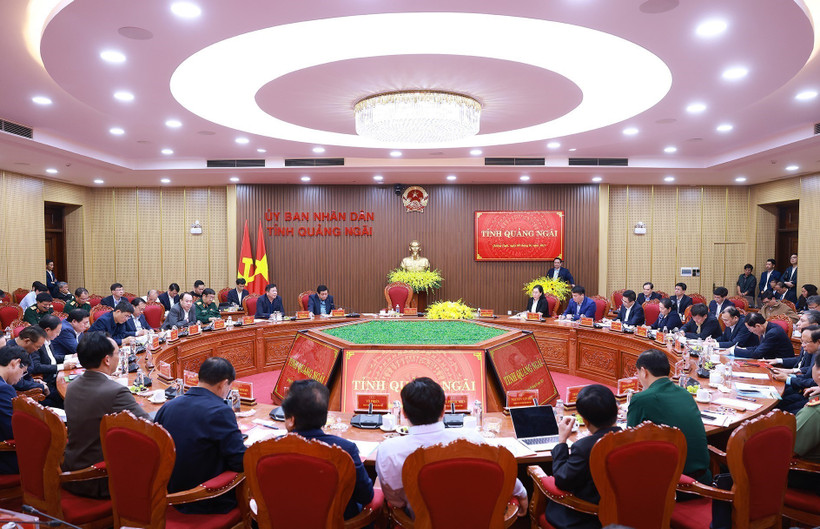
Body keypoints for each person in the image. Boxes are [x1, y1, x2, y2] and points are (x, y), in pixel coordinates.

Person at [375, 377, 528, 516]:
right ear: (444, 410)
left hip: (419, 522)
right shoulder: (471, 439)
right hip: (474, 521)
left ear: (404, 414)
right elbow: (501, 472)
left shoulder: (388, 451)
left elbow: (395, 501)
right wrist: (521, 492)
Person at [154, 357, 245, 514]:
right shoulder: (220, 411)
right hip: (204, 501)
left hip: (167, 495)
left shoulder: (168, 406)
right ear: (224, 384)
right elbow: (239, 462)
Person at [63, 332, 149, 498]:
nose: (119, 357)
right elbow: (150, 427)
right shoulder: (115, 391)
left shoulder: (72, 386)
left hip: (72, 468)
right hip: (97, 478)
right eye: (117, 353)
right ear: (107, 359)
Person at [282, 379, 374, 519]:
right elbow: (366, 495)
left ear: (291, 419)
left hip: (286, 520)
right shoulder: (346, 449)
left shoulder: (267, 450)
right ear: (325, 417)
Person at [627, 349, 710, 482]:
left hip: (672, 484)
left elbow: (629, 444)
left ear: (644, 371)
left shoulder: (642, 399)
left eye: (637, 373)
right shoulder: (685, 393)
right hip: (703, 478)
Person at [546, 385, 621, 529]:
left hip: (589, 518)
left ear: (585, 421)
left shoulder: (585, 447)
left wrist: (561, 441)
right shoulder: (634, 438)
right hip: (627, 514)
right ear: (617, 410)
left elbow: (562, 480)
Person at [27, 315, 74, 408]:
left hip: (55, 378)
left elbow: (51, 358)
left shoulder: (48, 340)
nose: (59, 334)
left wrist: (71, 356)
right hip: (47, 383)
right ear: (47, 330)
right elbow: (37, 367)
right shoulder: (36, 343)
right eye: (57, 331)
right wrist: (62, 367)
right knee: (71, 397)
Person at [771, 325, 820, 414]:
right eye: (802, 342)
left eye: (805, 342)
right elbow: (807, 373)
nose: (802, 346)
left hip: (810, 394)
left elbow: (814, 381)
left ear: (818, 342)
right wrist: (789, 375)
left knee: (781, 409)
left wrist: (788, 378)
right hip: (807, 389)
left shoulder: (816, 354)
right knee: (776, 398)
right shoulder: (814, 351)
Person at [0, 344, 31, 475]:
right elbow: (13, 430)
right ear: (16, 363)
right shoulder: (4, 389)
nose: (20, 379)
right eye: (23, 373)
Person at [6, 326, 51, 397]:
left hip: (28, 384)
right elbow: (17, 383)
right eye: (37, 347)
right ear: (27, 341)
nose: (37, 350)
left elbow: (26, 374)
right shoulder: (10, 351)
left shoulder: (26, 349)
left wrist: (34, 381)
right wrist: (41, 386)